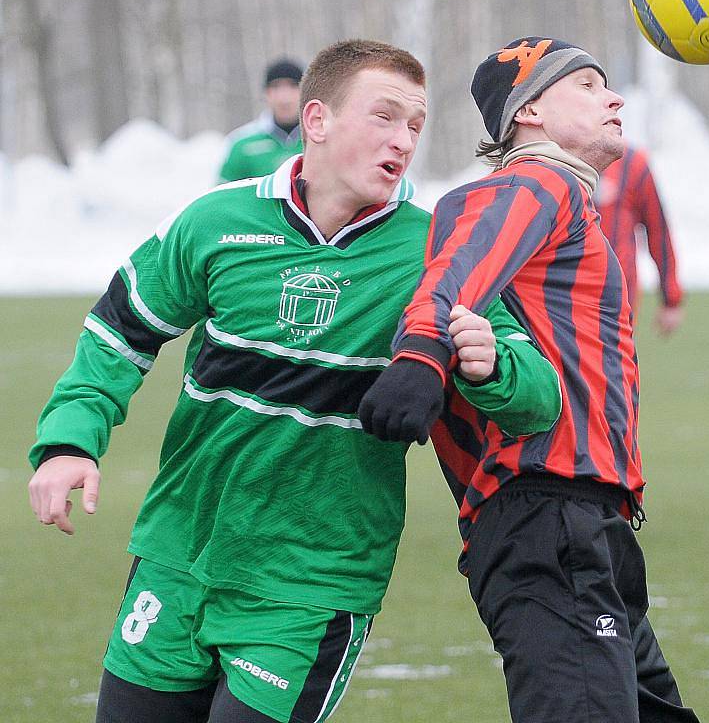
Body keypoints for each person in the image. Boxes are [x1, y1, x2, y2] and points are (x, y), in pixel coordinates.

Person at [28, 39, 561, 723]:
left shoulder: (439, 252)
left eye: (415, 126)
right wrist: (69, 440)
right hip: (177, 558)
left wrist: (490, 364)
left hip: (311, 586)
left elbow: (536, 398)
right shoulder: (215, 221)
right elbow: (118, 334)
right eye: (385, 116)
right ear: (316, 120)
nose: (402, 139)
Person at [359, 37, 700, 723]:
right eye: (588, 85)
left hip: (584, 525)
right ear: (529, 112)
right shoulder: (527, 185)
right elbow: (452, 278)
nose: (613, 98)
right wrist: (421, 355)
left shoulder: (563, 200)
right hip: (546, 519)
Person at [597, 143, 684, 334]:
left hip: (617, 294)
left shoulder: (632, 163)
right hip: (561, 293)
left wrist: (671, 297)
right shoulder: (553, 159)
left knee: (613, 359)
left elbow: (658, 230)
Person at [218, 58, 304, 182]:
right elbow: (222, 195)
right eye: (276, 87)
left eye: (293, 85)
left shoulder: (321, 139)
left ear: (305, 91)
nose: (285, 97)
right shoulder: (242, 143)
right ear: (266, 93)